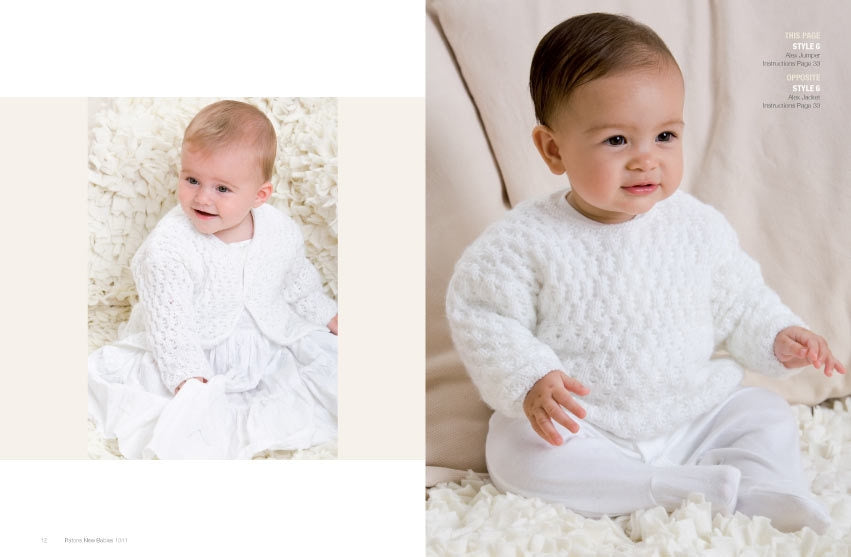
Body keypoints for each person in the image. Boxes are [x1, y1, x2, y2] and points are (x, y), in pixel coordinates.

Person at [445, 13, 845, 534]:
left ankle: (773, 491)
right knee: (515, 452)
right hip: (587, 426)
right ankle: (680, 489)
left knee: (763, 413)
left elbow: (742, 302)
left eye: (664, 135)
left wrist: (778, 335)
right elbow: (483, 315)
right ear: (553, 149)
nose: (645, 160)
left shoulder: (697, 227)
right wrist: (528, 378)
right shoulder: (524, 241)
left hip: (693, 412)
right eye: (616, 140)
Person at [89, 100, 339, 459]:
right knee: (190, 419)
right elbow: (170, 324)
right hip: (193, 344)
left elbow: (298, 280)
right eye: (192, 180)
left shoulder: (278, 230)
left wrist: (325, 314)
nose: (202, 197)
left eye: (222, 189)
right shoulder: (169, 246)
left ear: (259, 195)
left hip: (267, 338)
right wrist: (187, 377)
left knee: (325, 376)